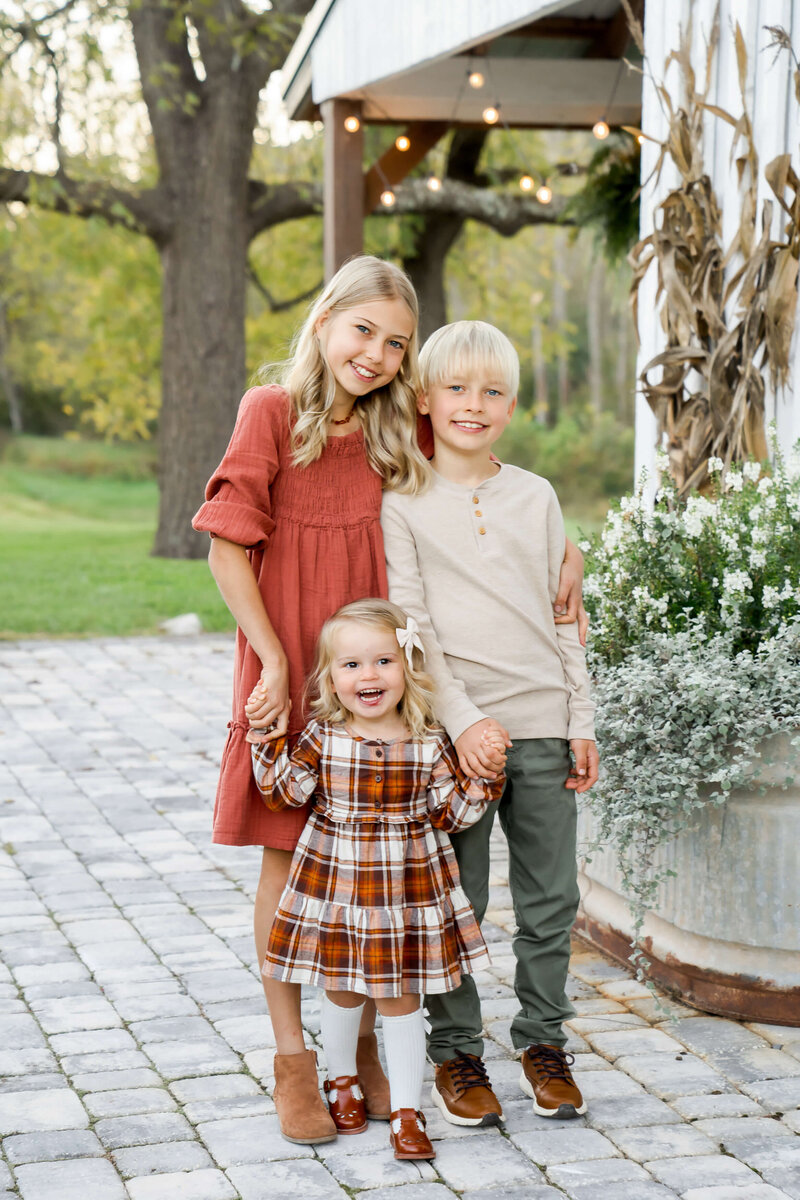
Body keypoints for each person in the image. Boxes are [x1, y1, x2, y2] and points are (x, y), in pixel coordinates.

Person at [192, 255, 585, 1145]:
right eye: (362, 328)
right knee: (291, 856)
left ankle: (364, 1048)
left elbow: (476, 449)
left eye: (395, 342)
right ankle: (295, 1057)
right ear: (326, 317)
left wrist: (570, 551)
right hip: (296, 653)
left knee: (380, 860)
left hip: (387, 666)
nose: (374, 352)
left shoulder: (394, 424)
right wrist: (272, 663)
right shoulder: (271, 415)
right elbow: (225, 548)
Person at [381, 320, 600, 1129]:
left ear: (512, 403)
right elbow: (414, 630)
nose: (475, 405)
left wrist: (581, 717)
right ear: (427, 398)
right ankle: (457, 1050)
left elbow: (564, 616)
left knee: (551, 901)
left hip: (543, 725)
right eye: (459, 389)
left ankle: (544, 1042)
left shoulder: (536, 495)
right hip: (453, 738)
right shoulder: (402, 502)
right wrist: (465, 721)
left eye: (494, 391)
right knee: (458, 901)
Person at [246, 600, 506, 1159]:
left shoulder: (430, 742)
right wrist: (266, 738)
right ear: (331, 680)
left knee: (399, 1000)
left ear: (406, 669)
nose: (369, 675)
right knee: (340, 990)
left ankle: (406, 1113)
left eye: (384, 661)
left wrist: (484, 776)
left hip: (406, 894)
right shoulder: (321, 737)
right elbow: (284, 793)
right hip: (335, 886)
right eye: (352, 665)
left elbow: (452, 815)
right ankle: (342, 1082)